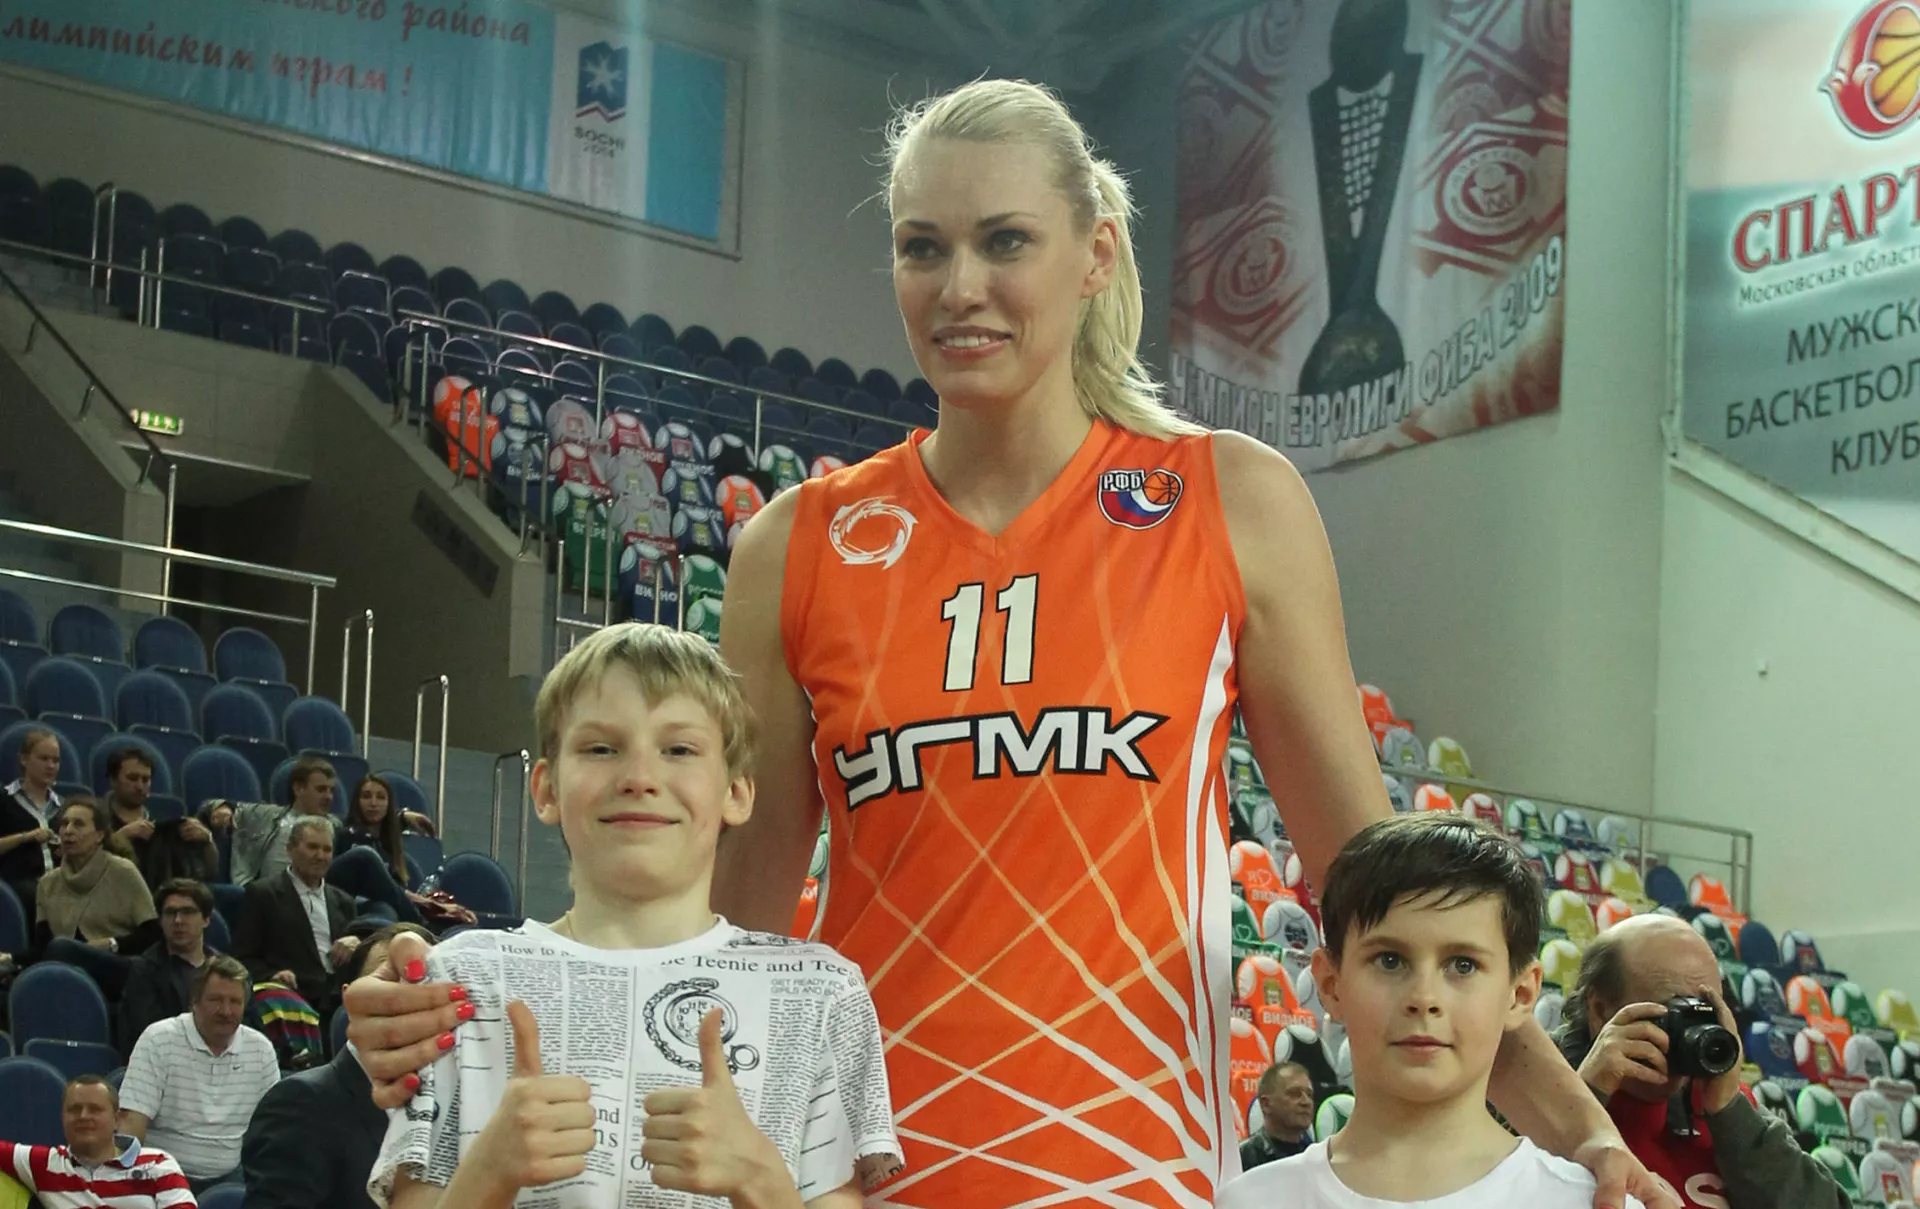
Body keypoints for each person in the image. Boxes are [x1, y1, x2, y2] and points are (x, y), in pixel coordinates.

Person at [345, 80, 1666, 1209]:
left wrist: (1583, 1133)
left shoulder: (1228, 502)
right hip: (850, 1173)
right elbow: (714, 928)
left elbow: (1390, 895)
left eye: (1005, 242)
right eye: (922, 247)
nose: (959, 287)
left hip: (1133, 1171)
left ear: (1095, 253)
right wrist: (459, 999)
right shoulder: (798, 545)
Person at [366, 623, 901, 1209]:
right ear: (546, 789)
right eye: (602, 748)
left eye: (679, 750)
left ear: (737, 792)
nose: (640, 779)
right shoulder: (460, 981)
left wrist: (759, 1180)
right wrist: (488, 1174)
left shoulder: (821, 992)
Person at [1218, 814, 1645, 1208]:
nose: (1424, 997)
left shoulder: (1585, 1203)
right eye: (1390, 960)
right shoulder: (1250, 1203)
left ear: (1519, 994)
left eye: (1463, 965)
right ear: (1331, 984)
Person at [1555, 914, 1851, 1209]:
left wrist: (1732, 1116)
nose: (1690, 1033)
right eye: (1673, 1013)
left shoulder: (1720, 1101)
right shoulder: (1541, 1083)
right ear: (1600, 1010)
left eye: (1705, 1012)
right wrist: (1586, 1097)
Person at [241, 922, 435, 1209]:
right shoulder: (300, 1103)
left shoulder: (458, 1104)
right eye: (389, 980)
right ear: (350, 998)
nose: (404, 996)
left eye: (421, 982)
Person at [119, 955, 281, 1193]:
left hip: (234, 1179)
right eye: (216, 1000)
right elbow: (131, 1122)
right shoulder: (158, 1039)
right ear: (194, 1001)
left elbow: (274, 1129)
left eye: (235, 1002)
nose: (226, 1011)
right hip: (163, 1176)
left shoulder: (261, 1050)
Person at [199, 755, 417, 923]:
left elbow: (365, 821)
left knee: (382, 908)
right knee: (364, 856)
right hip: (276, 892)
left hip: (320, 889)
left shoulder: (334, 823)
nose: (329, 797)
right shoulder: (267, 814)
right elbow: (213, 806)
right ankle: (420, 923)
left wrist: (402, 818)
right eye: (321, 790)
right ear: (298, 788)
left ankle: (411, 929)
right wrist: (219, 808)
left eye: (331, 791)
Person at [0, 1074, 195, 1207]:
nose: (83, 1116)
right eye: (74, 1109)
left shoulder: (158, 1163)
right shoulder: (45, 1164)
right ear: (62, 1118)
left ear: (116, 1119)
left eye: (95, 1109)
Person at [230, 817, 361, 1015]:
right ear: (290, 849)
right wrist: (272, 975)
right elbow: (243, 958)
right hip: (293, 998)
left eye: (327, 850)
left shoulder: (344, 901)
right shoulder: (263, 894)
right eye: (312, 847)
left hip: (342, 998)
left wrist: (358, 943)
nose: (320, 856)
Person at [33, 798, 159, 997]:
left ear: (99, 835)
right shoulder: (48, 883)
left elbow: (152, 933)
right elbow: (42, 948)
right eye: (64, 824)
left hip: (121, 966)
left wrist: (112, 943)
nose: (68, 831)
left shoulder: (123, 871)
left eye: (78, 824)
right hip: (68, 969)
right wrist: (9, 959)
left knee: (61, 948)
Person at [341, 775, 472, 928]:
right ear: (356, 802)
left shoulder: (387, 843)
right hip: (358, 907)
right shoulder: (346, 836)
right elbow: (384, 889)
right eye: (366, 796)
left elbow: (395, 888)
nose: (373, 803)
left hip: (391, 905)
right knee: (387, 910)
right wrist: (430, 905)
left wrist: (403, 816)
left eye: (381, 797)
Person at [120, 879, 221, 1059]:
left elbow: (250, 1027)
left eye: (187, 912)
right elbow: (148, 1035)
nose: (178, 921)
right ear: (160, 921)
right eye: (170, 913)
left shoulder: (227, 969)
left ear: (206, 919)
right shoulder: (145, 970)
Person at [102, 747, 218, 890]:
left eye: (146, 780)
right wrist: (120, 838)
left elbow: (209, 872)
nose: (140, 786)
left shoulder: (163, 819)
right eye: (132, 778)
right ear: (113, 780)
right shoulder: (96, 817)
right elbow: (86, 866)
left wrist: (207, 840)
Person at [1, 726, 63, 917]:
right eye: (44, 759)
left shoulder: (64, 807)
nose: (51, 766)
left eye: (55, 760)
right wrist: (26, 837)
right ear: (24, 759)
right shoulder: (4, 800)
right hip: (18, 888)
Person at [1240, 1061, 1316, 1171]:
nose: (1306, 1102)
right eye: (1294, 1094)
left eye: (1309, 1095)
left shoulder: (1317, 1157)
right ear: (1266, 1104)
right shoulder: (1243, 1157)